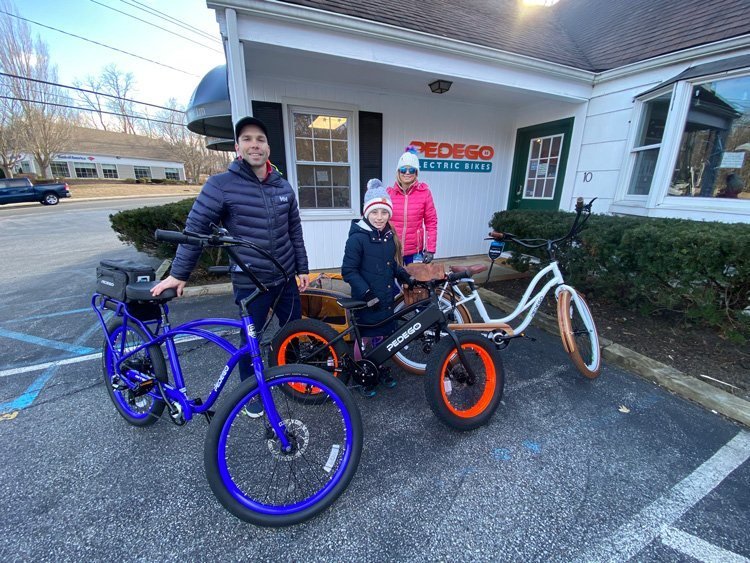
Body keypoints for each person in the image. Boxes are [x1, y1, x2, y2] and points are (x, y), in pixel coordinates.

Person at [151, 116, 310, 415]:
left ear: (268, 147)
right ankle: (251, 394)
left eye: (260, 139)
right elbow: (195, 229)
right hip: (251, 280)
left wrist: (302, 268)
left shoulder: (283, 187)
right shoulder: (221, 185)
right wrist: (179, 274)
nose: (254, 144)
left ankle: (297, 379)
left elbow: (295, 232)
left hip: (286, 275)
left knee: (293, 330)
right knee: (250, 340)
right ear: (238, 147)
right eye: (247, 139)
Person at [342, 179, 414, 396]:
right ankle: (362, 373)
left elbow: (390, 265)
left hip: (384, 299)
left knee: (382, 337)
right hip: (366, 300)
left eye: (384, 212)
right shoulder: (357, 239)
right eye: (375, 212)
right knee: (364, 339)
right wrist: (366, 293)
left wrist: (404, 276)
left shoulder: (388, 237)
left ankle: (379, 367)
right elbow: (349, 270)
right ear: (366, 213)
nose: (380, 217)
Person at [387, 146, 438, 265]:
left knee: (414, 282)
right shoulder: (389, 194)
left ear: (416, 173)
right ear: (398, 172)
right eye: (404, 170)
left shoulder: (425, 193)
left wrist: (430, 249)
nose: (407, 173)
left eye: (412, 170)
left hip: (415, 251)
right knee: (393, 283)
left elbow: (431, 222)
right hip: (392, 249)